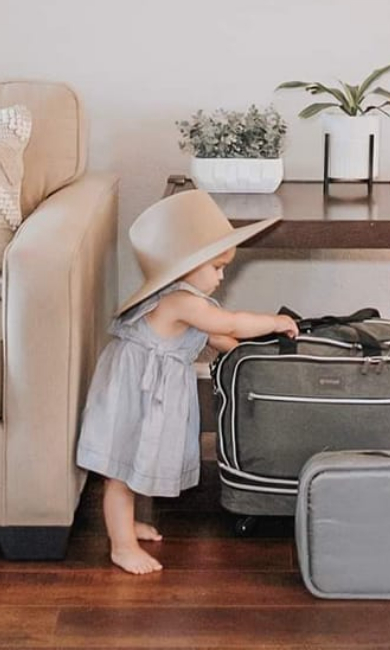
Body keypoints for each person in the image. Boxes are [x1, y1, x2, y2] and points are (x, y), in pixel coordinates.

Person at [76, 190, 298, 574]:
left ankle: (126, 528)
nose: (221, 276)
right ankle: (121, 545)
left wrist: (246, 355)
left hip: (147, 389)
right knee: (121, 471)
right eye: (216, 267)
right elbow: (230, 324)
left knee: (133, 463)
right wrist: (275, 322)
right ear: (185, 265)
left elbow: (218, 339)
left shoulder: (189, 304)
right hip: (136, 392)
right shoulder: (180, 301)